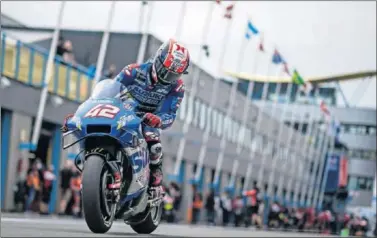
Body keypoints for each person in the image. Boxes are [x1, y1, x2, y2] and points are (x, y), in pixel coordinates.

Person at [61, 39, 190, 198]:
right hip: (124, 110)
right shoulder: (133, 71)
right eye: (166, 71)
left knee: (154, 144)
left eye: (174, 74)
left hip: (148, 118)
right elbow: (109, 91)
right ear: (158, 61)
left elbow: (170, 113)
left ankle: (155, 182)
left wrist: (158, 120)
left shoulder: (177, 87)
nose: (168, 77)